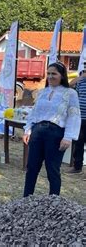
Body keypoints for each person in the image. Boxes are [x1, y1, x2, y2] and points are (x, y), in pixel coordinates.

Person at [22, 62, 81, 197]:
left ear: (62, 75)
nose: (50, 76)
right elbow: (34, 112)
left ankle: (53, 202)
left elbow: (74, 115)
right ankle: (26, 200)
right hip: (37, 131)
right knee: (31, 167)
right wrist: (28, 129)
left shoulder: (70, 93)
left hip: (55, 133)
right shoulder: (43, 92)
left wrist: (68, 137)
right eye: (48, 73)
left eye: (54, 73)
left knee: (52, 169)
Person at [66, 66, 86, 174]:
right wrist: (81, 77)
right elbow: (68, 86)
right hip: (79, 117)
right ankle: (77, 167)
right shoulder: (80, 81)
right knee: (78, 143)